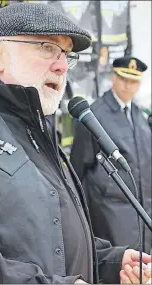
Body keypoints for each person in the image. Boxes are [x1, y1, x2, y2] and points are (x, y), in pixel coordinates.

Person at [0, 4, 151, 284]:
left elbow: (48, 239)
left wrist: (110, 261)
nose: (62, 65)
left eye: (66, 54)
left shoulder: (37, 125)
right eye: (46, 48)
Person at [70, 56, 152, 255]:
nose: (127, 85)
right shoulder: (94, 115)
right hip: (109, 212)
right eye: (123, 79)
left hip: (142, 209)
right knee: (118, 268)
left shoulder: (140, 116)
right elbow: (78, 168)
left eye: (133, 81)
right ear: (113, 78)